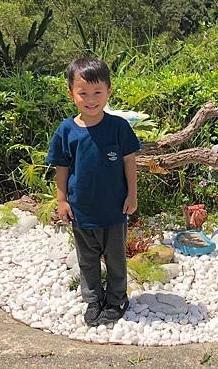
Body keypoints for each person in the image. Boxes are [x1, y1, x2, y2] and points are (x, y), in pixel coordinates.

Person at [46, 57, 141, 327]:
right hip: (81, 210)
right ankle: (93, 299)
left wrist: (132, 195)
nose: (91, 99)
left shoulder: (118, 127)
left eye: (97, 92)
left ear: (109, 91)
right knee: (86, 260)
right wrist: (62, 200)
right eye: (83, 93)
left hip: (114, 210)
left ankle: (116, 299)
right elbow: (62, 167)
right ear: (71, 94)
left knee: (116, 258)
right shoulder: (67, 130)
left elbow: (129, 162)